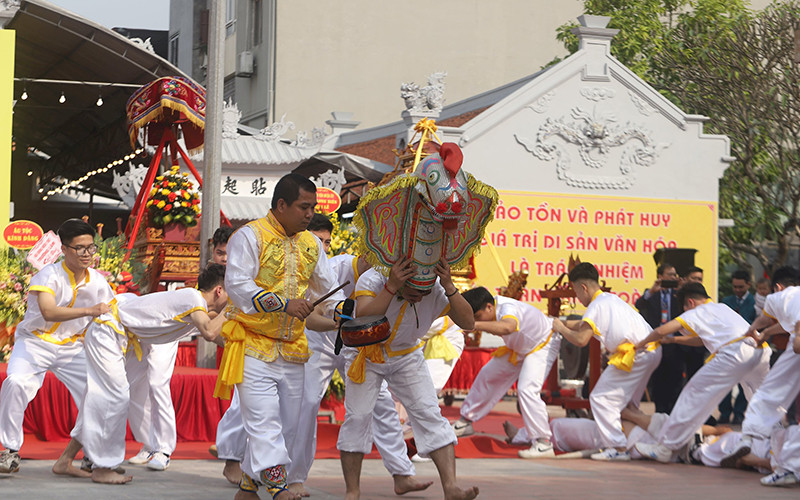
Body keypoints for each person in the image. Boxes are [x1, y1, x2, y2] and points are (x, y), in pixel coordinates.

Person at [217, 173, 346, 500]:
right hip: (251, 344)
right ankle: (277, 487)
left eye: (312, 207)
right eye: (304, 207)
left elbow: (327, 293)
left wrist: (345, 311)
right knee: (264, 422)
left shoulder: (311, 243)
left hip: (294, 349)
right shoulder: (249, 237)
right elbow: (238, 286)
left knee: (290, 424)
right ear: (281, 205)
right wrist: (285, 304)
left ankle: (248, 487)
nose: (309, 214)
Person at [59, 263, 229, 484]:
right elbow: (209, 331)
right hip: (109, 330)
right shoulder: (193, 298)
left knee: (104, 397)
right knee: (116, 397)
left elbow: (218, 336)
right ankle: (103, 467)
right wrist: (234, 306)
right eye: (231, 291)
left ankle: (66, 459)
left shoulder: (197, 309)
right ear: (219, 290)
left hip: (125, 340)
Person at [337, 257, 479, 500]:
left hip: (406, 353)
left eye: (424, 290)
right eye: (413, 289)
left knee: (429, 413)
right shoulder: (376, 278)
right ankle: (353, 492)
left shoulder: (435, 287)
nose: (419, 296)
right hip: (366, 352)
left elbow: (469, 322)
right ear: (401, 277)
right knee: (358, 417)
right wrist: (390, 288)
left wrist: (449, 286)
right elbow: (362, 315)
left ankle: (451, 487)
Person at [293, 253, 432, 496]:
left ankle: (402, 474)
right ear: (367, 251)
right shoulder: (333, 269)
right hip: (321, 342)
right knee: (307, 401)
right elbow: (309, 316)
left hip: (358, 344)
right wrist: (336, 324)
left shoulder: (385, 277)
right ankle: (294, 478)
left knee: (383, 404)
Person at [0, 219, 114, 476]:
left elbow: (114, 312)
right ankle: (10, 451)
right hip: (34, 342)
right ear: (64, 249)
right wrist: (90, 310)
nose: (87, 254)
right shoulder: (48, 274)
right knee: (16, 382)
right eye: (80, 248)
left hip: (72, 347)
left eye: (91, 247)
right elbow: (48, 311)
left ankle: (90, 454)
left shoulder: (98, 281)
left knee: (99, 391)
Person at [634, 282, 771, 463]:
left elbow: (660, 330)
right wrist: (675, 340)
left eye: (683, 306)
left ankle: (665, 447)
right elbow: (702, 340)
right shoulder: (721, 307)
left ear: (690, 302)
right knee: (762, 399)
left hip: (734, 354)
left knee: (692, 396)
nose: (683, 310)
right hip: (759, 350)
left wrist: (639, 345)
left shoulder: (695, 312)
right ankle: (773, 440)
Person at [552, 262, 662, 461]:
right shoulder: (609, 299)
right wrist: (556, 322)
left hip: (635, 355)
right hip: (651, 352)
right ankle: (651, 442)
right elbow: (583, 324)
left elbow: (581, 339)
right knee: (626, 406)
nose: (577, 296)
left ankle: (617, 447)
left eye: (576, 291)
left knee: (601, 398)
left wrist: (561, 328)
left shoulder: (596, 306)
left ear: (583, 287)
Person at [451, 286, 561, 459]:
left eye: (477, 316)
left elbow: (508, 327)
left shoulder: (507, 308)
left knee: (527, 389)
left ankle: (543, 443)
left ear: (489, 307)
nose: (476, 320)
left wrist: (474, 325)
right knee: (488, 374)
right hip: (518, 348)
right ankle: (466, 422)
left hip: (543, 344)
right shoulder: (492, 307)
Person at [726, 267, 800, 464]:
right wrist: (764, 333)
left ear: (777, 287)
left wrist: (753, 330)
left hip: (796, 346)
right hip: (794, 344)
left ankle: (749, 437)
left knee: (767, 394)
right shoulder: (793, 298)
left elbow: (769, 319)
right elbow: (784, 323)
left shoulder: (777, 298)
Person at [635, 263, 699, 414]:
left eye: (675, 275)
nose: (673, 278)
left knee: (676, 379)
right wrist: (652, 291)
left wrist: (682, 289)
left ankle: (673, 413)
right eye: (670, 275)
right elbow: (639, 304)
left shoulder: (678, 294)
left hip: (675, 343)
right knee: (658, 381)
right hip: (657, 343)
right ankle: (660, 411)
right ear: (660, 276)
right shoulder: (651, 293)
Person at [719, 269, 756, 424]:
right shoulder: (726, 302)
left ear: (748, 284)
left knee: (745, 383)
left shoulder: (755, 303)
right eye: (735, 287)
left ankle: (740, 414)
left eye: (741, 287)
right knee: (725, 382)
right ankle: (724, 413)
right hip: (728, 347)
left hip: (749, 348)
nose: (737, 290)